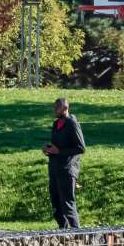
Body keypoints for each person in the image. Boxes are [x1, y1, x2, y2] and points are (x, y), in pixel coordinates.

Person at [42, 98, 85, 229]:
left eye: (57, 108)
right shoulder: (56, 124)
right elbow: (57, 145)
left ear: (65, 108)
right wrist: (49, 149)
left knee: (67, 203)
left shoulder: (72, 124)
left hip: (67, 169)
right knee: (56, 204)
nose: (54, 110)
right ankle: (63, 230)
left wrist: (59, 151)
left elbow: (80, 148)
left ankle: (77, 233)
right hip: (55, 168)